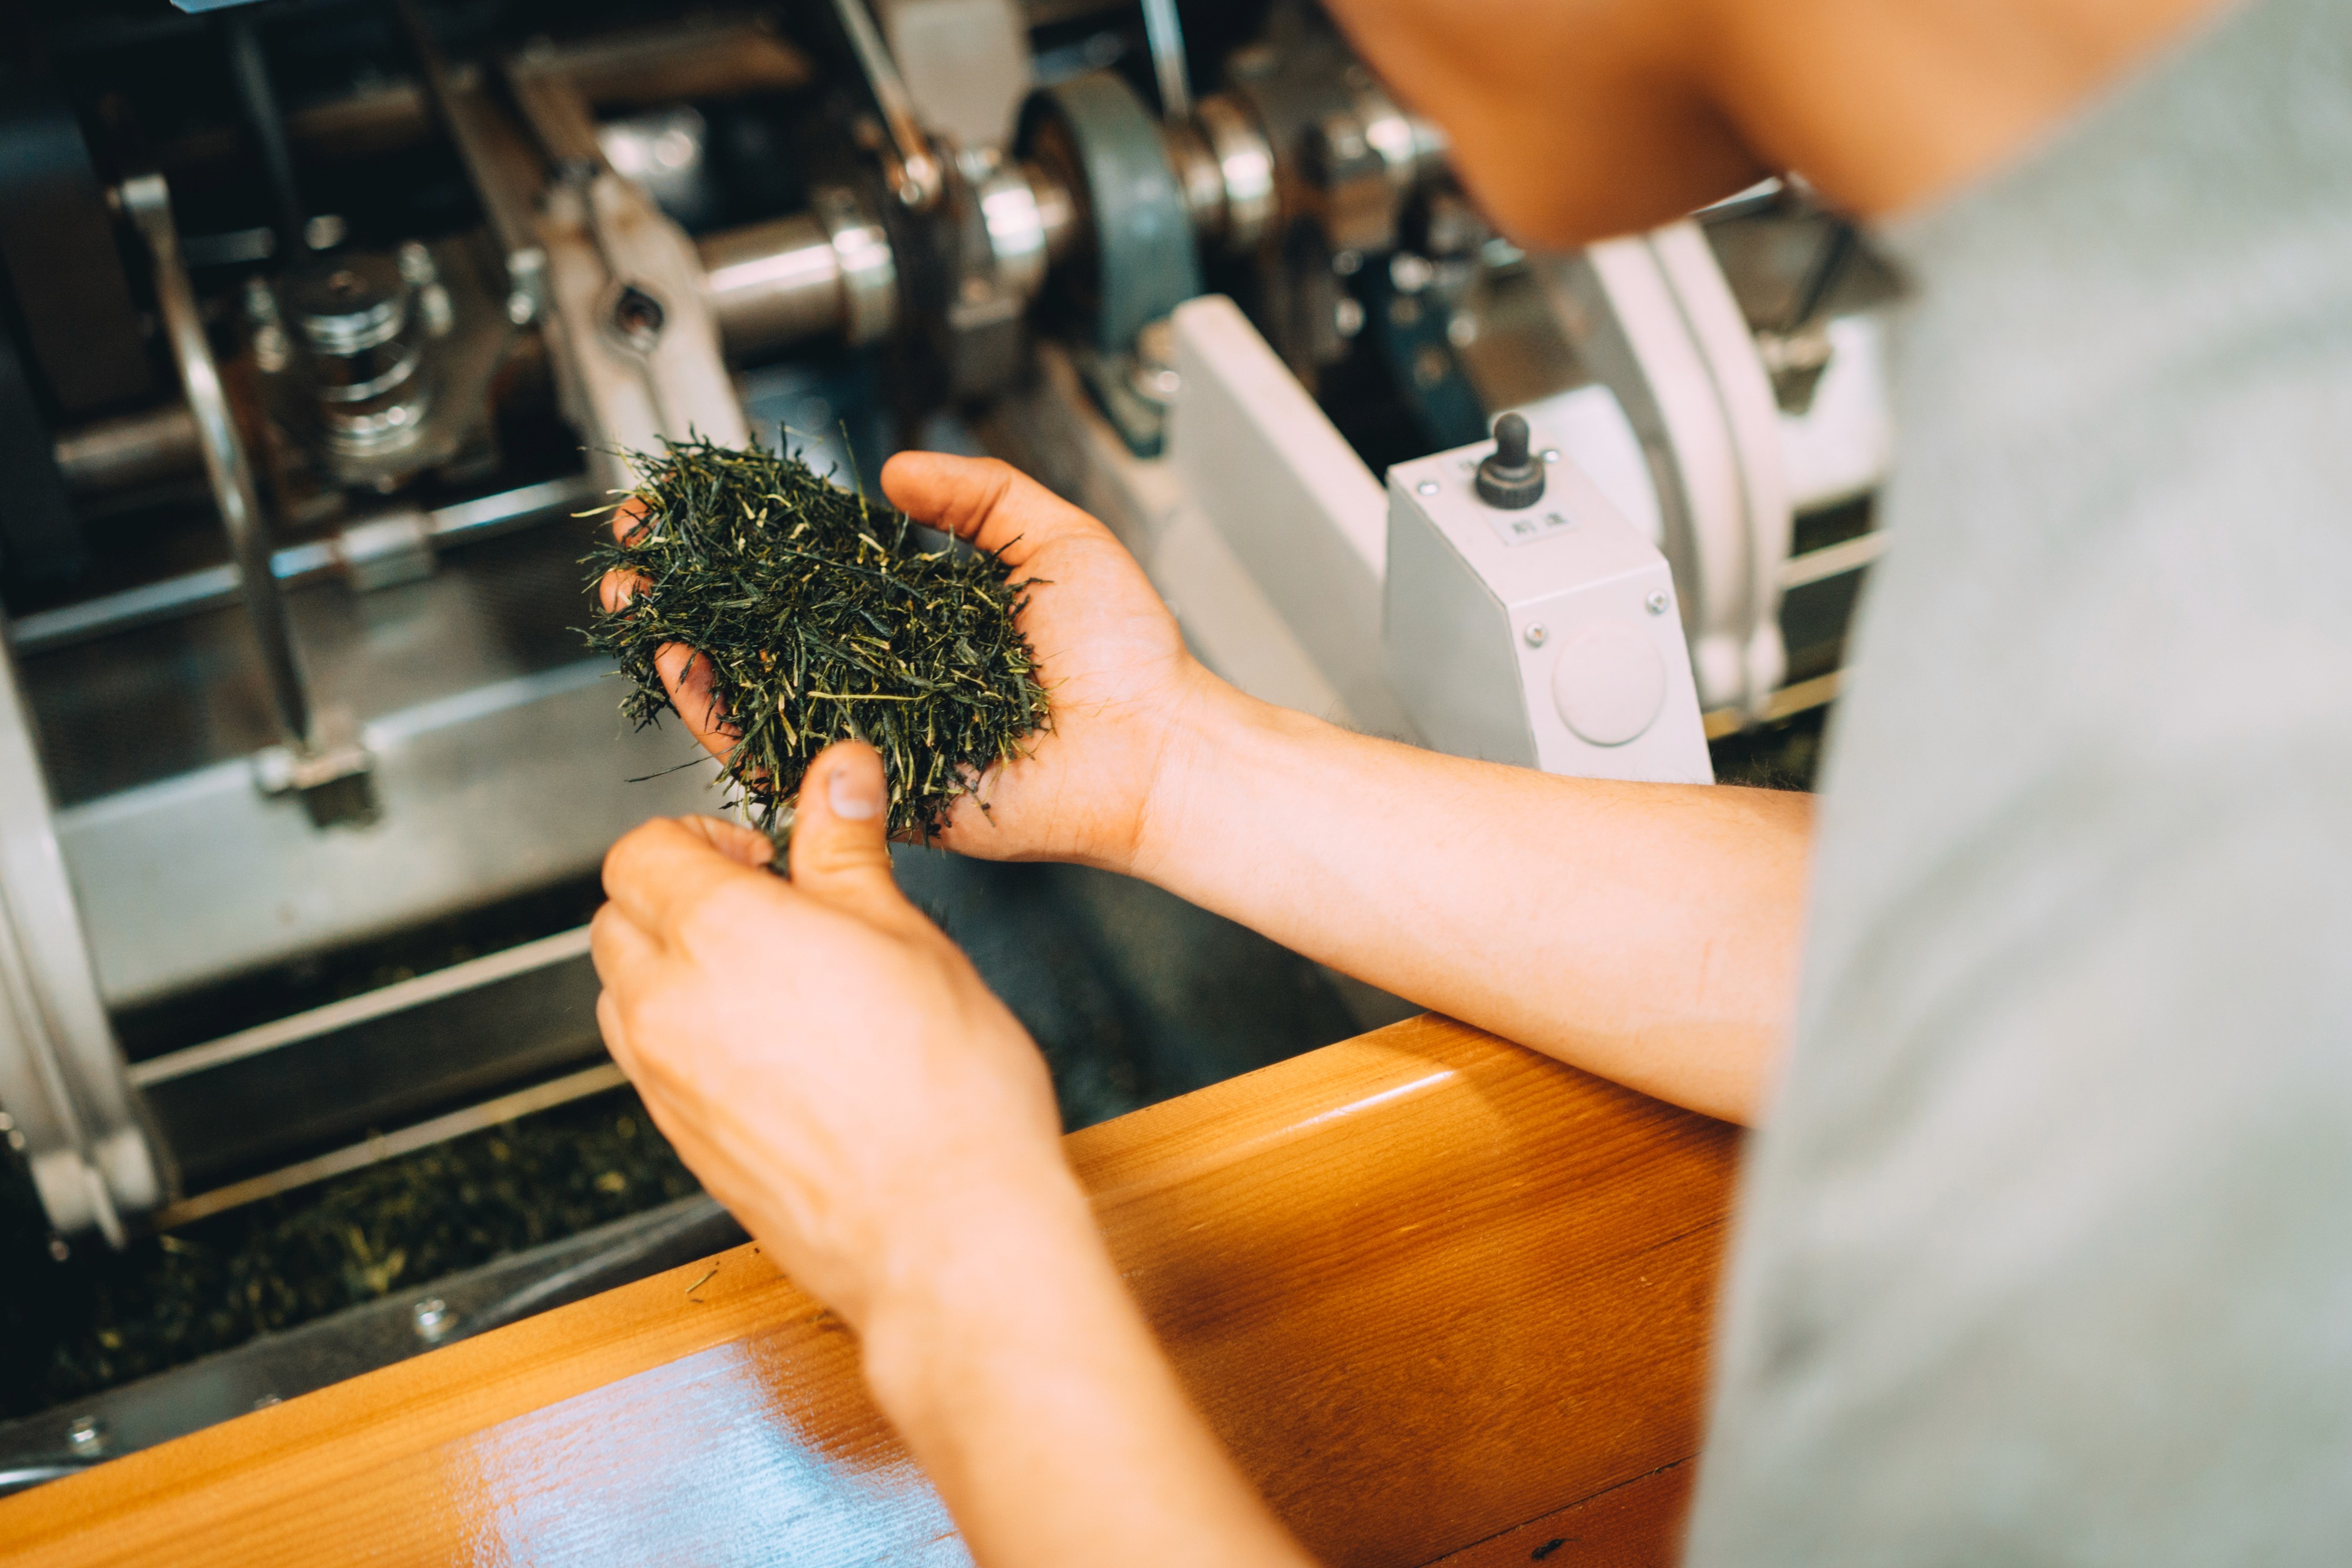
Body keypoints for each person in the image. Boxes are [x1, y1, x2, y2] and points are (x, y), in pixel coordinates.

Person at [589, 0, 2352, 1560]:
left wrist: (940, 1255)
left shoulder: (2223, 683)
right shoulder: (2224, 302)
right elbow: (2013, 966)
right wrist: (1176, 764)